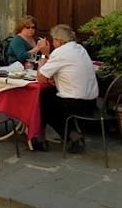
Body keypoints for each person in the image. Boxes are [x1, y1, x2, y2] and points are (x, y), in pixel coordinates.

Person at [37, 24, 99, 154]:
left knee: (42, 100)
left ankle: (63, 136)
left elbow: (40, 77)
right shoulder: (79, 48)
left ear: (59, 40)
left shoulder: (60, 52)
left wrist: (43, 55)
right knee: (48, 94)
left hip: (76, 103)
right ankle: (67, 134)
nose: (52, 43)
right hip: (91, 101)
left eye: (53, 40)